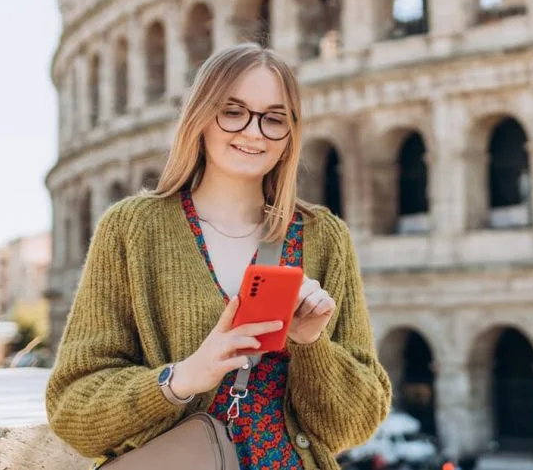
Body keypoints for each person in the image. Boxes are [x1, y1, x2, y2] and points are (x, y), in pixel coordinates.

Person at [46, 43, 391, 469]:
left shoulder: (324, 237)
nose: (253, 132)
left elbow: (353, 425)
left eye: (274, 119)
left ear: (290, 135)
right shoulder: (133, 228)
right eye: (233, 111)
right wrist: (182, 379)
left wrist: (311, 343)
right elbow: (71, 407)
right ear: (201, 117)